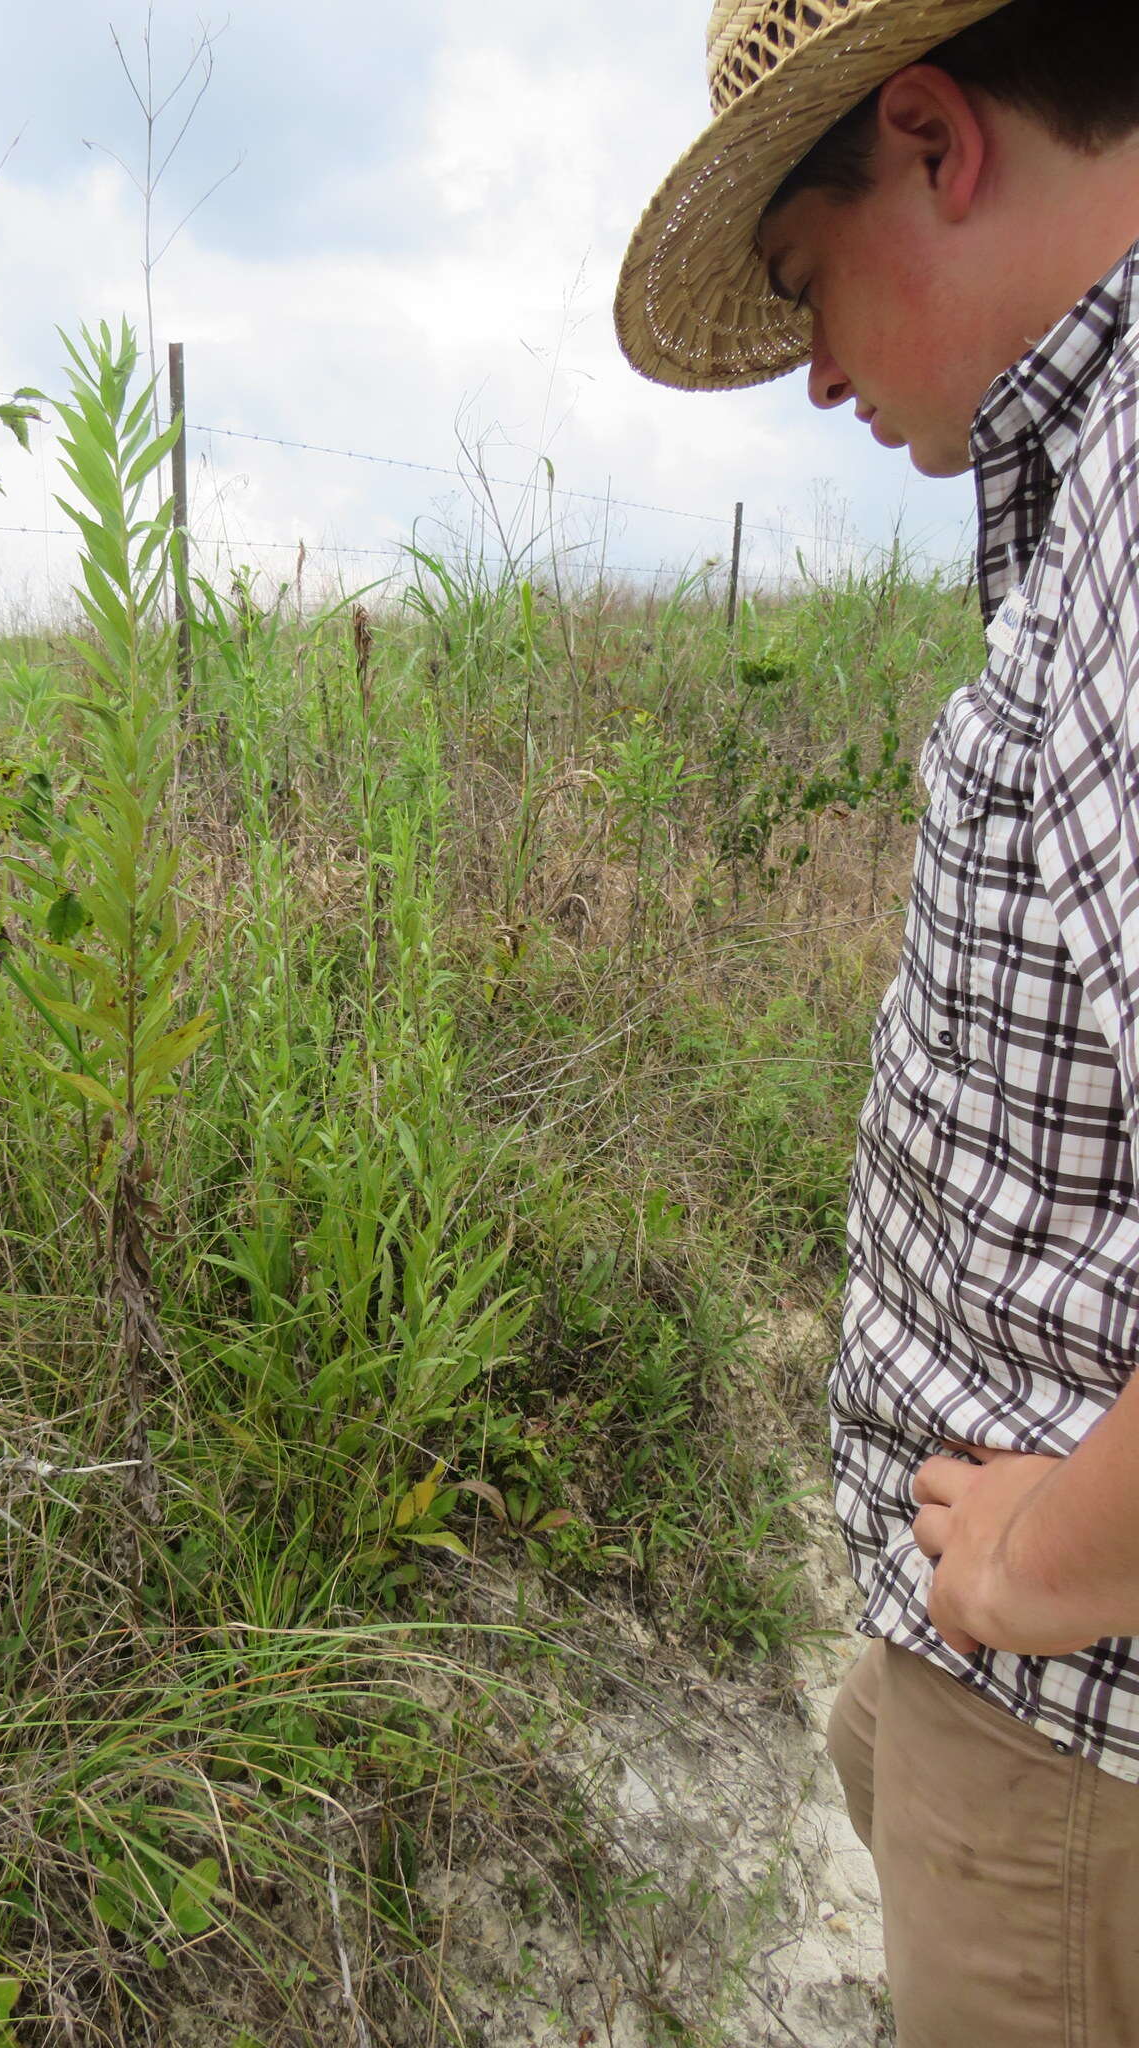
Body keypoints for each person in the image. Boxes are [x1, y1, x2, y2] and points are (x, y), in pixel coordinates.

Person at [617, 5, 1139, 2043]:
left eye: (804, 285)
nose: (817, 369)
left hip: (1075, 1752)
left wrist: (1039, 1572)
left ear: (932, 141)